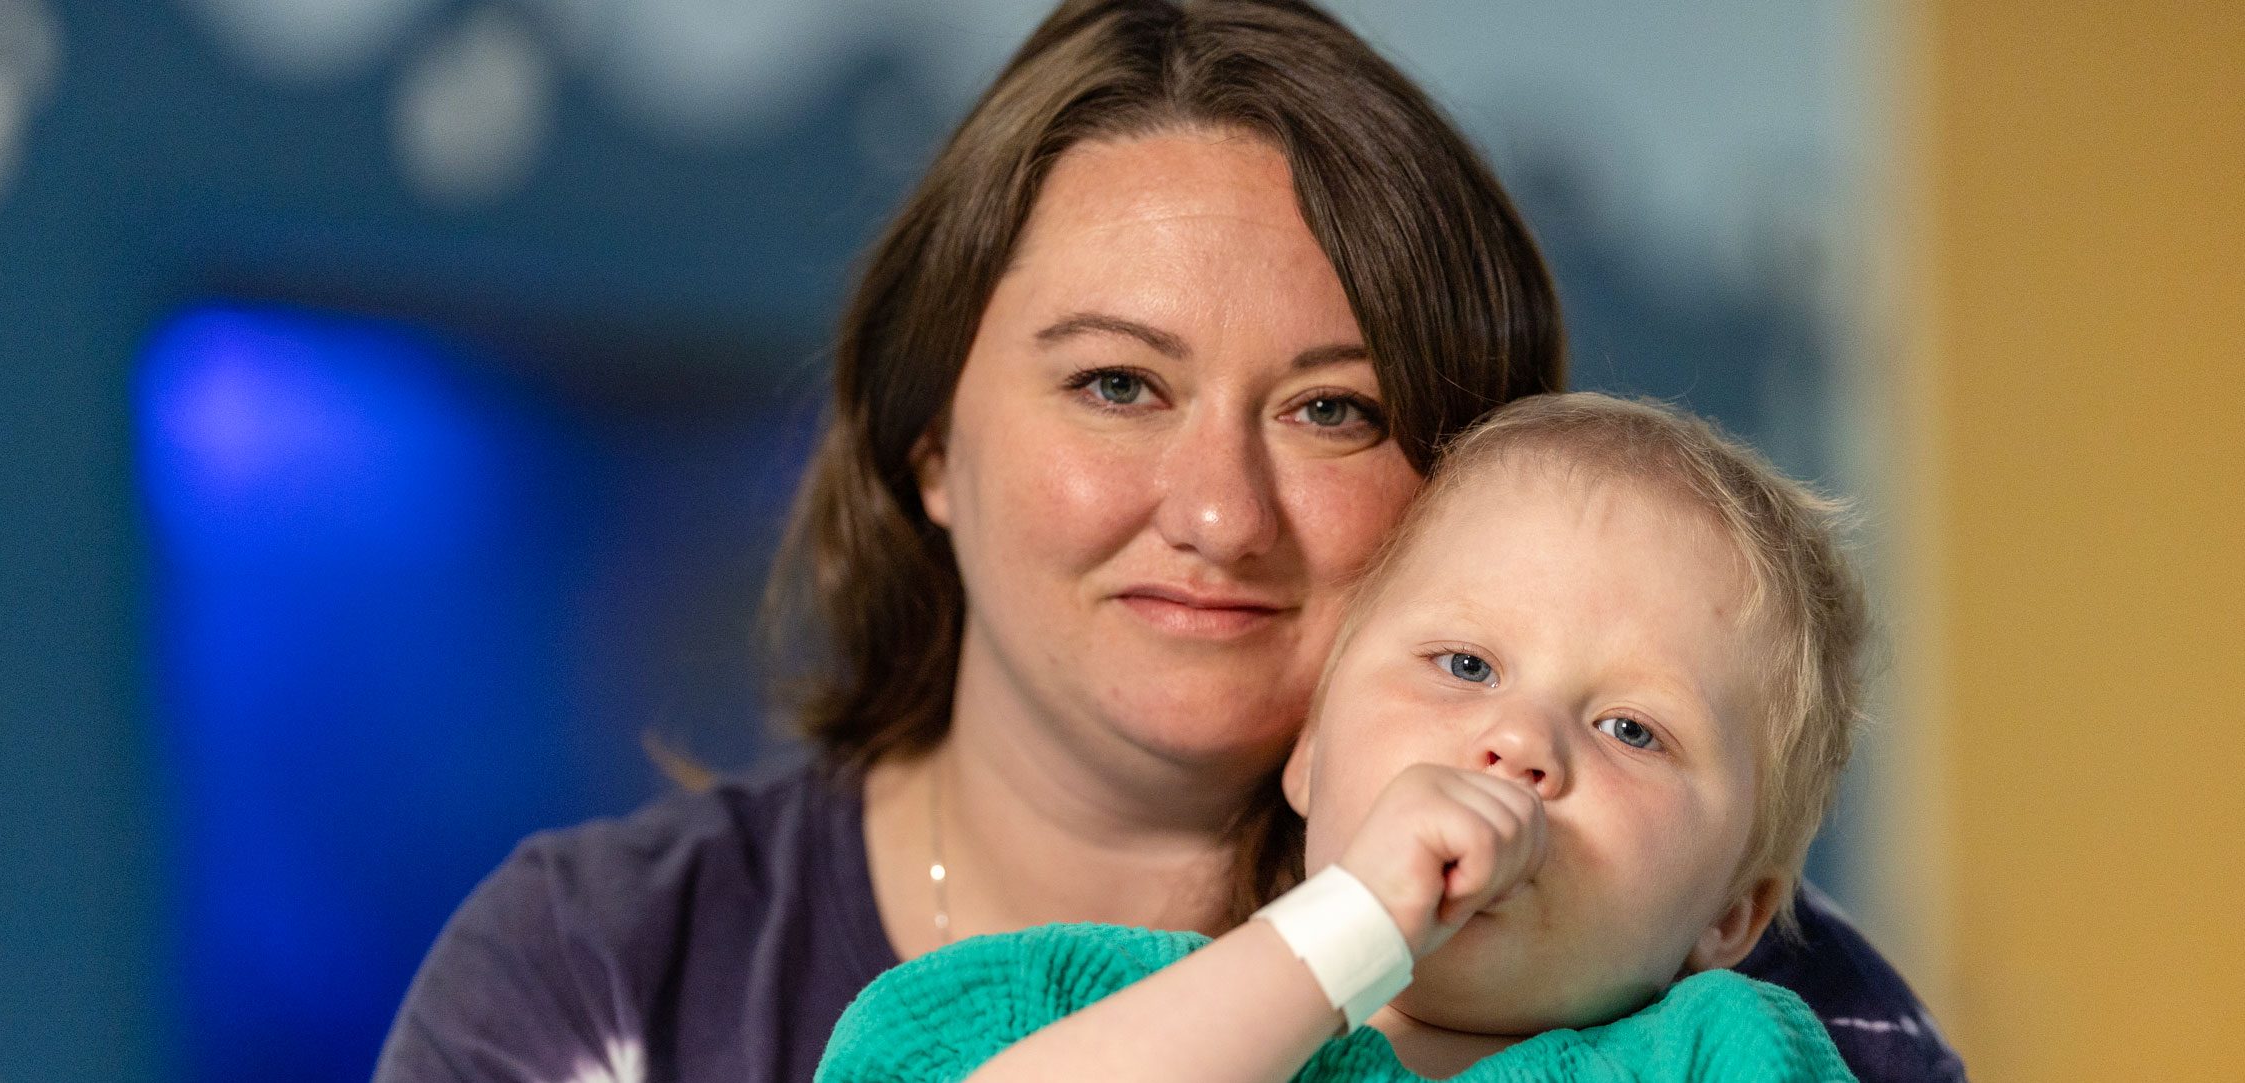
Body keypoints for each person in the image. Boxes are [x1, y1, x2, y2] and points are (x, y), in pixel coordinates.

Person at [374, 3, 1961, 1082]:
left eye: (1334, 409)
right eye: (1117, 384)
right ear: (931, 440)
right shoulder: (607, 969)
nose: (1217, 513)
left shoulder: (1744, 1004)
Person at [821, 392, 1862, 1083]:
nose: (1519, 741)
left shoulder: (1716, 1054)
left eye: (1632, 728)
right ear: (1312, 750)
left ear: (1730, 914)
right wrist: (1342, 935)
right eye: (1464, 665)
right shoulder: (1077, 1003)